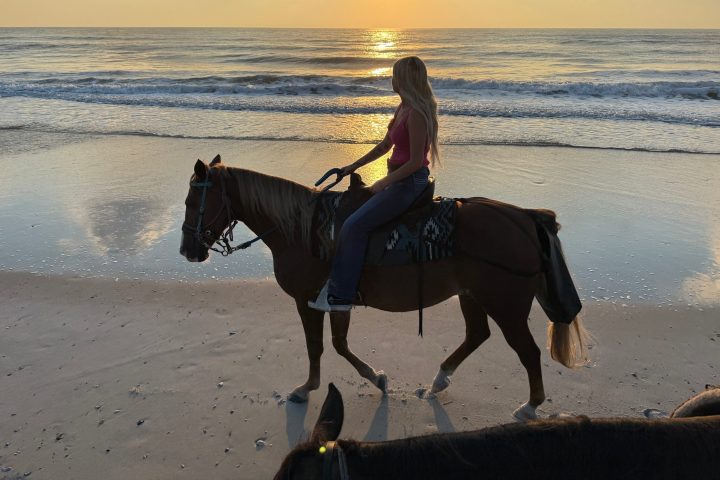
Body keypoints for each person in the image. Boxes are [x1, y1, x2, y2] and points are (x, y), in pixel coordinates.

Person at [309, 56, 440, 312]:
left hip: (409, 182)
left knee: (354, 226)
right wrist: (353, 166)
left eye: (395, 75)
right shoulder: (402, 108)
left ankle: (341, 295)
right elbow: (385, 146)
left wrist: (383, 182)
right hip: (398, 177)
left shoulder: (416, 115)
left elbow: (415, 162)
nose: (391, 79)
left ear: (404, 79)